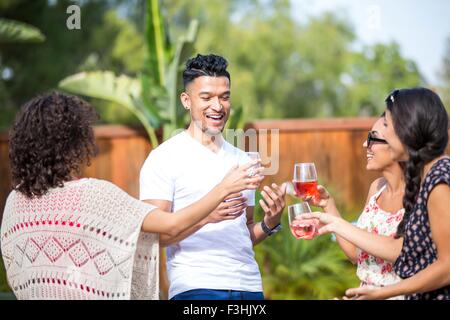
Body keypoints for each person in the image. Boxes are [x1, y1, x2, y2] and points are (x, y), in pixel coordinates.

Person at [0, 92, 264, 300]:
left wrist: (212, 219)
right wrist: (223, 189)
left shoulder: (14, 204)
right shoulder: (94, 195)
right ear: (77, 142)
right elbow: (168, 225)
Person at [140, 53, 286, 300]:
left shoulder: (243, 161)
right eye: (206, 97)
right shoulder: (163, 158)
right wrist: (207, 215)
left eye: (224, 97)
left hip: (249, 287)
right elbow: (156, 237)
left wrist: (270, 222)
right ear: (186, 101)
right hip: (196, 288)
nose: (217, 106)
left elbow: (243, 233)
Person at [298, 88, 450, 300]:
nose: (368, 142)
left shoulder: (439, 179)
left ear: (407, 128)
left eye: (386, 125)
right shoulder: (422, 180)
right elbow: (375, 252)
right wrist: (330, 211)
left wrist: (384, 293)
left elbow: (446, 265)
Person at [301, 116, 405, 299]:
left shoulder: (424, 193)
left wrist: (336, 224)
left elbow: (403, 251)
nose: (365, 144)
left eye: (373, 137)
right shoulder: (377, 189)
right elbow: (357, 254)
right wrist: (328, 205)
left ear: (397, 143)